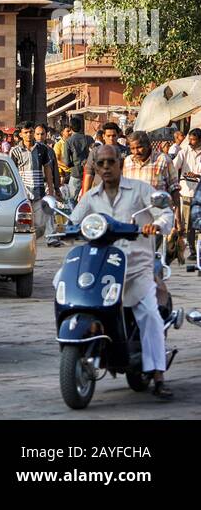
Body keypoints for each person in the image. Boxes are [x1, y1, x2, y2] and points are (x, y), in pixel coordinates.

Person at [69, 145, 174, 399]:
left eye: (110, 162)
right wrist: (66, 230)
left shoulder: (139, 190)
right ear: (95, 167)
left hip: (136, 268)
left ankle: (158, 374)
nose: (105, 167)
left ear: (120, 163)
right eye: (101, 163)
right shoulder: (91, 197)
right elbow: (73, 221)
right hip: (103, 270)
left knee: (149, 313)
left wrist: (155, 225)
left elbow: (166, 212)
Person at [123, 132, 181, 231]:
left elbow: (174, 189)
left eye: (139, 147)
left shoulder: (163, 159)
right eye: (132, 148)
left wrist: (177, 218)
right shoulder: (128, 161)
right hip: (134, 217)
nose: (136, 152)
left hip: (159, 218)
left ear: (148, 145)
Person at [8, 124, 56, 240]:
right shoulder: (15, 151)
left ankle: (34, 240)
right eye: (26, 132)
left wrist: (51, 188)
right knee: (23, 225)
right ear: (21, 134)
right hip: (23, 194)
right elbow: (11, 173)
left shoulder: (42, 149)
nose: (28, 135)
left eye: (30, 132)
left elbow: (48, 169)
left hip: (39, 191)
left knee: (40, 225)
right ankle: (26, 246)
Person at [175, 128, 201, 271]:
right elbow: (174, 166)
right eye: (189, 139)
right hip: (187, 192)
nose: (190, 142)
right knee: (188, 224)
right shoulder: (184, 151)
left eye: (193, 140)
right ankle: (192, 250)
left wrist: (196, 176)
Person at [81, 120, 124, 194]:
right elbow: (89, 174)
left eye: (114, 136)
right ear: (103, 136)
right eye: (108, 136)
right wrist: (84, 197)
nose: (111, 139)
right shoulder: (95, 152)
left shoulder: (125, 152)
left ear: (118, 136)